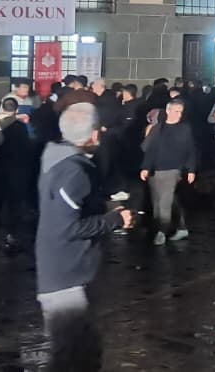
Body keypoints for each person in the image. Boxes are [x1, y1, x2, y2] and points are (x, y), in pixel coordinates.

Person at [36, 103, 134, 372]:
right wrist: (115, 220)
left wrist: (103, 207)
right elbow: (67, 227)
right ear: (93, 133)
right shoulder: (73, 171)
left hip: (64, 271)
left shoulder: (58, 158)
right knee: (74, 357)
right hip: (67, 277)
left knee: (79, 353)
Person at [140, 99, 198, 245]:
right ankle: (180, 227)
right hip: (155, 170)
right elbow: (149, 150)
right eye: (176, 111)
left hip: (173, 169)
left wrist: (191, 169)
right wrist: (146, 167)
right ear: (168, 111)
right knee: (160, 200)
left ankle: (161, 231)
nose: (179, 114)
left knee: (164, 201)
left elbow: (191, 149)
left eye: (181, 112)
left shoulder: (185, 128)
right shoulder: (158, 128)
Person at [0, 97, 36, 253]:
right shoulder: (19, 127)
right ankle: (11, 237)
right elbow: (26, 150)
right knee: (14, 206)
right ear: (16, 109)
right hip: (16, 172)